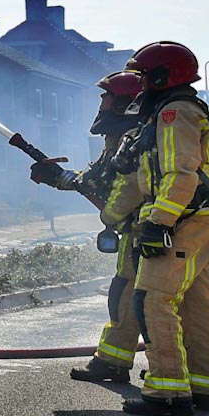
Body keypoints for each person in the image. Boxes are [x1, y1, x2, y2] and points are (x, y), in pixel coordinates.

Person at [115, 41, 209, 416]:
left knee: (152, 298)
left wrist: (158, 222)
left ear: (163, 76)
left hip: (182, 218)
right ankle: (203, 387)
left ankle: (167, 391)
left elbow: (181, 172)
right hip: (200, 217)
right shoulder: (184, 109)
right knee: (195, 302)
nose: (141, 85)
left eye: (145, 77)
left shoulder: (174, 113)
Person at [28, 70, 148, 385]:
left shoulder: (132, 136)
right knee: (126, 294)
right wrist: (57, 177)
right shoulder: (121, 135)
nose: (101, 102)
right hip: (139, 234)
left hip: (146, 233)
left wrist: (109, 216)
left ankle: (167, 372)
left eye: (107, 96)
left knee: (144, 300)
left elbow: (118, 184)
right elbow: (96, 178)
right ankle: (115, 362)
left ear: (124, 102)